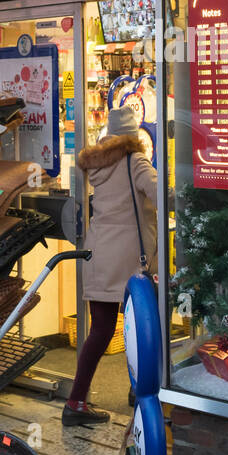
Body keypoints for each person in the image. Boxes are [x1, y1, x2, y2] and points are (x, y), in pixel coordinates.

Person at [66, 106, 156, 426]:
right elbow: (160, 195)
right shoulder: (136, 162)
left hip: (99, 254)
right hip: (132, 261)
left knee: (101, 332)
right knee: (143, 330)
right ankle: (142, 393)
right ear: (134, 137)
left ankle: (76, 401)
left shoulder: (99, 167)